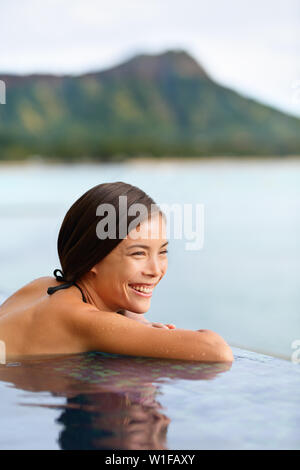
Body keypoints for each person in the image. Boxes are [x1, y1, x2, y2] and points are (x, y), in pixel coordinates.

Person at [0, 182, 233, 362]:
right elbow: (216, 351)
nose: (155, 270)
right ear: (93, 258)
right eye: (138, 254)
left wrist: (134, 319)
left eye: (162, 252)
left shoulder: (44, 285)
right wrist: (136, 326)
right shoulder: (83, 320)